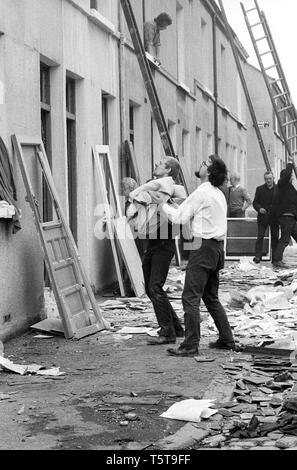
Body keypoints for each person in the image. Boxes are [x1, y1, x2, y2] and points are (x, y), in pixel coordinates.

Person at [151, 155, 239, 357]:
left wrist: (161, 203)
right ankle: (227, 339)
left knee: (190, 297)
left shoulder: (202, 191)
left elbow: (178, 217)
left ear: (209, 172)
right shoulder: (218, 193)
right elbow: (186, 210)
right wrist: (171, 204)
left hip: (203, 249)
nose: (201, 164)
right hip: (216, 249)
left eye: (205, 164)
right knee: (211, 297)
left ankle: (190, 345)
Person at [136, 157, 186, 345]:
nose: (156, 163)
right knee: (151, 288)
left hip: (164, 245)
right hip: (153, 244)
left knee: (155, 287)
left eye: (161, 162)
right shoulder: (156, 187)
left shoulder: (174, 191)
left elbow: (177, 216)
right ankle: (176, 327)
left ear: (168, 170)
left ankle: (167, 333)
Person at [272, 158, 297, 268]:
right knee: (285, 239)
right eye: (290, 177)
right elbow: (287, 175)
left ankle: (277, 260)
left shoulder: (291, 188)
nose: (291, 178)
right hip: (286, 216)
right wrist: (290, 164)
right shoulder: (281, 185)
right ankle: (277, 260)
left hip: (292, 217)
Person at [252, 171, 279, 264]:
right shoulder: (259, 189)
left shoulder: (278, 189)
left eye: (270, 178)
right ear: (264, 179)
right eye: (266, 179)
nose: (268, 180)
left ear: (273, 178)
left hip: (275, 218)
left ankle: (275, 258)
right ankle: (258, 256)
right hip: (263, 217)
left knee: (275, 238)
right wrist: (259, 209)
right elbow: (254, 202)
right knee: (260, 236)